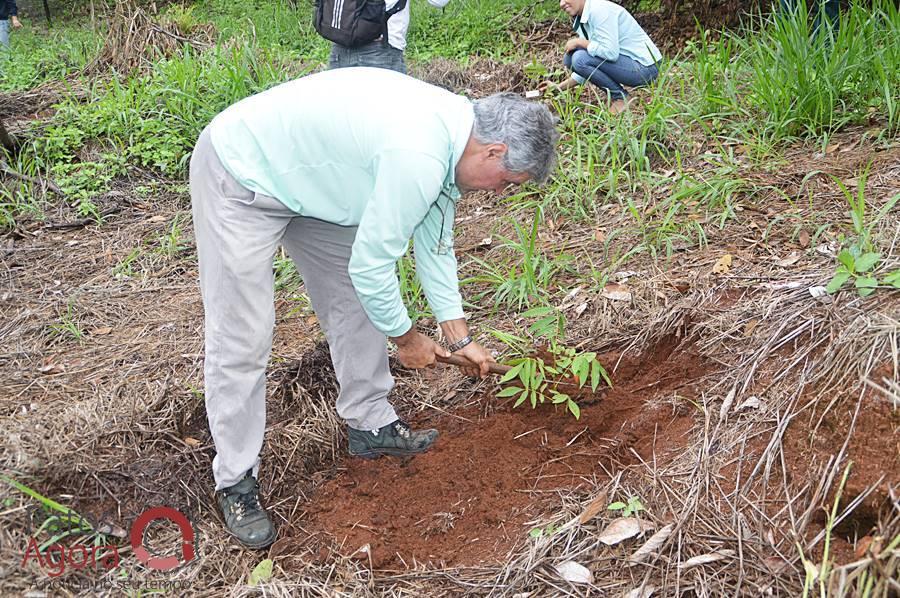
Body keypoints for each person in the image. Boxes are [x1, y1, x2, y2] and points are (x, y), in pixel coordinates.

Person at [189, 67, 559, 548]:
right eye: (507, 180)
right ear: (495, 151)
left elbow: (435, 244)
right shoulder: (419, 152)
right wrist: (407, 340)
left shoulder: (455, 137)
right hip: (244, 173)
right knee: (243, 335)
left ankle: (370, 423)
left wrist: (459, 338)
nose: (500, 191)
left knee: (356, 306)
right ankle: (235, 479)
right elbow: (372, 266)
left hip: (317, 185)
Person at [545, 0, 662, 114]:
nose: (561, 4)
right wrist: (558, 88)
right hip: (630, 64)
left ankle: (621, 98)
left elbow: (610, 53)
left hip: (646, 68)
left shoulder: (599, 10)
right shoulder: (582, 16)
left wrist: (580, 42)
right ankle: (619, 96)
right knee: (570, 58)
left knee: (579, 56)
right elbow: (586, 67)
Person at [328, 0, 450, 74]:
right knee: (386, 114)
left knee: (343, 115)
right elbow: (439, 2)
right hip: (381, 52)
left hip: (339, 49)